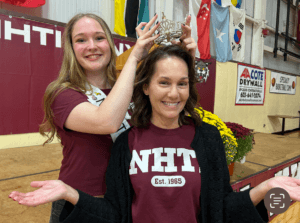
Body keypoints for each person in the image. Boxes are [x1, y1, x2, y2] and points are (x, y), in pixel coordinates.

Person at [9, 44, 300, 222]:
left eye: (182, 83)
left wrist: (265, 189)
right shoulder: (127, 143)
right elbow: (114, 214)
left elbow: (221, 209)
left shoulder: (208, 139)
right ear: (146, 87)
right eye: (164, 82)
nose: (174, 93)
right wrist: (70, 193)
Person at [36, 12, 162, 223]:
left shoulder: (129, 87)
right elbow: (108, 121)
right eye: (81, 40)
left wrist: (187, 52)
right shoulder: (62, 94)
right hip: (80, 199)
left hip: (127, 197)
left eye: (99, 37)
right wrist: (135, 56)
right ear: (71, 48)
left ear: (110, 44)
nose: (91, 46)